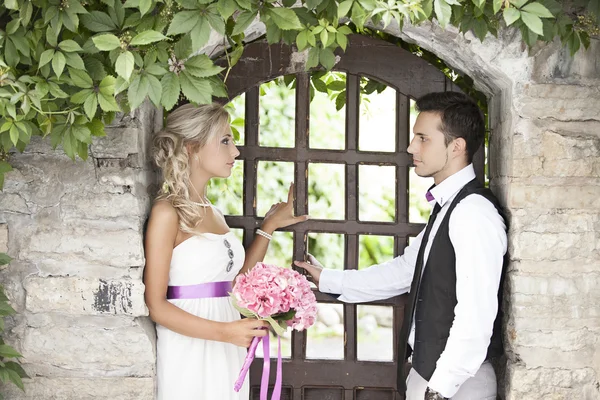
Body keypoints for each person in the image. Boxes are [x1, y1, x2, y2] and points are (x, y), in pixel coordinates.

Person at [295, 92, 507, 400]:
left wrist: (440, 390)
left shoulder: (473, 213)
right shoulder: (450, 208)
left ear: (456, 146)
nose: (411, 147)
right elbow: (404, 271)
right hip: (431, 379)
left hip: (455, 387)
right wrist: (327, 278)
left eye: (423, 138)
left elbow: (477, 314)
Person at [144, 103, 308, 400]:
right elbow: (156, 305)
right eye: (225, 140)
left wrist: (268, 226)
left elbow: (235, 283)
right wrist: (225, 332)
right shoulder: (167, 212)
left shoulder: (215, 213)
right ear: (192, 147)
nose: (235, 151)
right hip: (191, 344)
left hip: (228, 339)